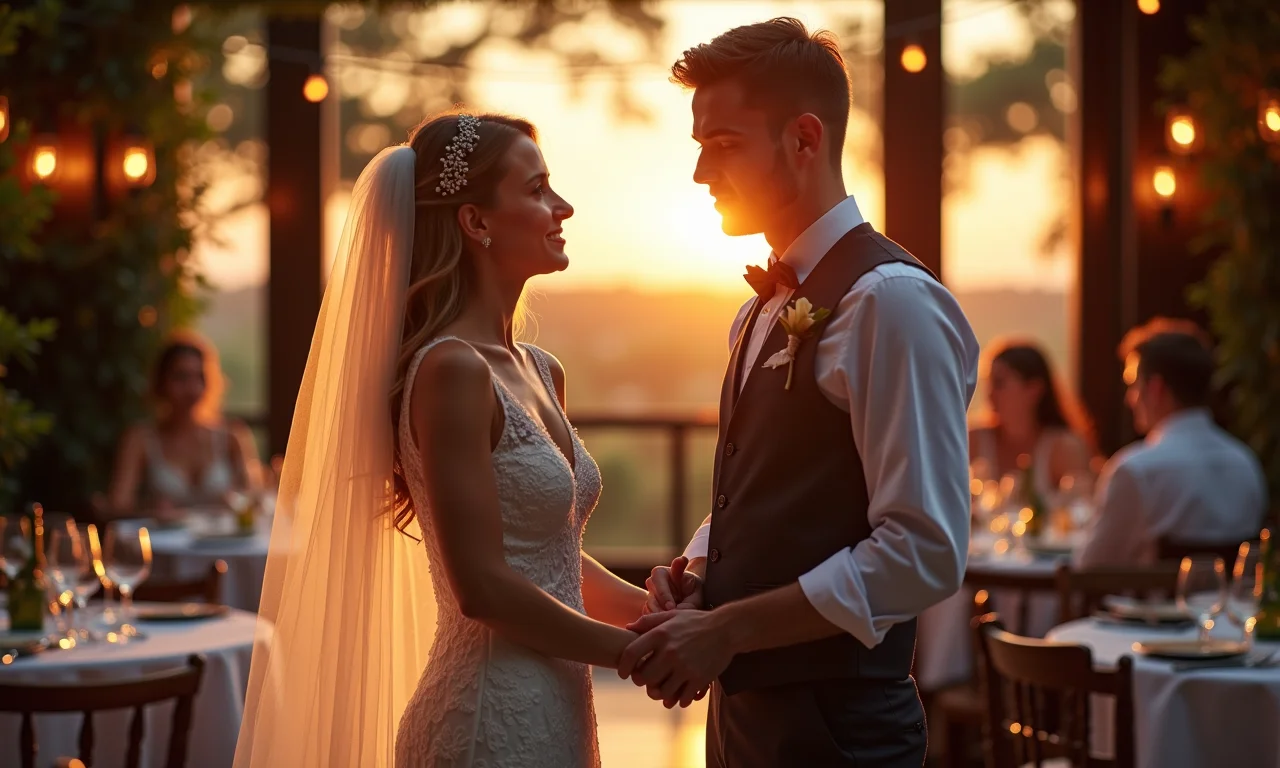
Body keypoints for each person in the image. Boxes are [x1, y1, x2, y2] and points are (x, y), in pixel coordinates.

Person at [235, 112, 651, 768]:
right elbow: (482, 586)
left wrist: (651, 608)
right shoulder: (451, 369)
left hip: (559, 706)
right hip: (488, 719)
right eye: (537, 189)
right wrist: (633, 652)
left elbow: (549, 559)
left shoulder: (541, 370)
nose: (562, 206)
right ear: (476, 221)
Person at [627, 18, 979, 767]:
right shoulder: (757, 310)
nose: (699, 174)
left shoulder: (892, 303)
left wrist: (728, 631)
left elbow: (925, 551)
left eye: (722, 145)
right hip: (743, 720)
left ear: (805, 140)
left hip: (838, 731)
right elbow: (774, 483)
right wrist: (698, 573)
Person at [1074, 319, 1267, 568]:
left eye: (1133, 385)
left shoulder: (1134, 471)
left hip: (1149, 607)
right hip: (1228, 607)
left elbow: (1089, 569)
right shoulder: (1246, 464)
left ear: (1155, 388)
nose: (1129, 399)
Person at [105, 332, 259, 517]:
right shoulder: (140, 439)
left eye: (199, 377)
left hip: (222, 543)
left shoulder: (231, 437)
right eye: (181, 377)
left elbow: (256, 499)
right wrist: (150, 510)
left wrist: (236, 500)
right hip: (162, 544)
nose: (192, 389)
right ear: (161, 383)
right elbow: (118, 505)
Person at [969, 340, 1096, 499]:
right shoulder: (973, 441)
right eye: (988, 383)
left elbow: (1082, 510)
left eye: (999, 383)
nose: (990, 393)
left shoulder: (1064, 448)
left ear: (1034, 389)